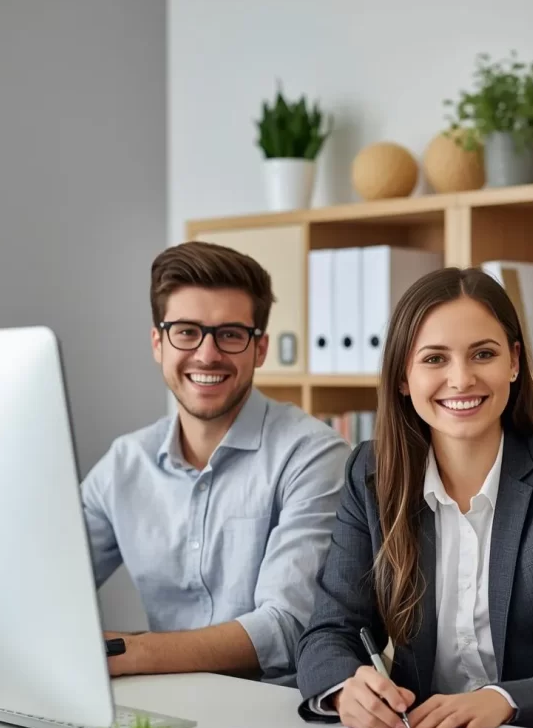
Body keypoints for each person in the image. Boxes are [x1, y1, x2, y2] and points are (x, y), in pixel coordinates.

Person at [296, 266, 533, 728]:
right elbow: (328, 633)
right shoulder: (373, 476)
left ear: (513, 362)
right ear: (404, 378)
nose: (460, 379)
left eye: (482, 354)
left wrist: (502, 701)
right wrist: (345, 690)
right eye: (434, 359)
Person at [81, 242, 350, 686]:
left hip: (274, 711)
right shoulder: (124, 464)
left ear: (259, 349)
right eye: (186, 332)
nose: (207, 354)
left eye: (230, 334)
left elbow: (285, 628)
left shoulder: (313, 456)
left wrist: (124, 651)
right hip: (160, 702)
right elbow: (45, 583)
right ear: (158, 343)